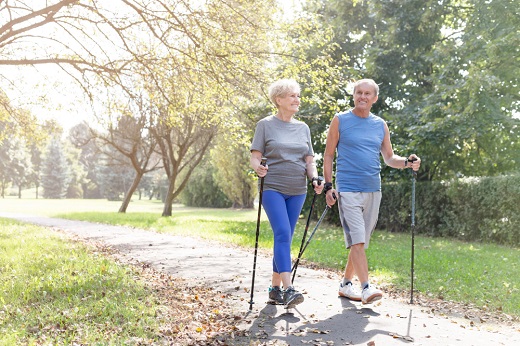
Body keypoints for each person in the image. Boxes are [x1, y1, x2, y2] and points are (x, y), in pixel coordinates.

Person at [323, 78, 421, 304]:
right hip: (347, 188)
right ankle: (365, 287)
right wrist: (329, 186)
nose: (363, 97)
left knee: (360, 240)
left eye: (368, 94)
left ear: (374, 99)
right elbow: (328, 154)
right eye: (359, 92)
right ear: (354, 95)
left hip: (373, 190)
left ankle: (346, 284)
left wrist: (407, 162)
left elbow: (389, 158)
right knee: (357, 240)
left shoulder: (380, 125)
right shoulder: (340, 120)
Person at [250, 79, 323, 308]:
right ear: (279, 99)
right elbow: (254, 156)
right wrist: (257, 167)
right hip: (273, 186)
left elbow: (309, 161)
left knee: (285, 238)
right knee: (282, 232)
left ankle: (274, 288)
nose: (297, 99)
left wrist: (315, 178)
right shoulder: (265, 125)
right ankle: (289, 288)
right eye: (292, 96)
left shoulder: (303, 128)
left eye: (298, 96)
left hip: (298, 189)